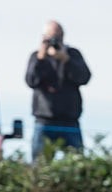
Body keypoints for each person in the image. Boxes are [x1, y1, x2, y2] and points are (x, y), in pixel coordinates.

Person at [25, 20, 91, 158]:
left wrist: (66, 60)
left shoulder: (73, 54)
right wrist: (40, 59)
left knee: (77, 161)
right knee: (40, 164)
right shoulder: (36, 56)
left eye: (57, 36)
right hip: (44, 119)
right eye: (50, 37)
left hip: (69, 120)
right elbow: (31, 81)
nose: (54, 41)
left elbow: (84, 78)